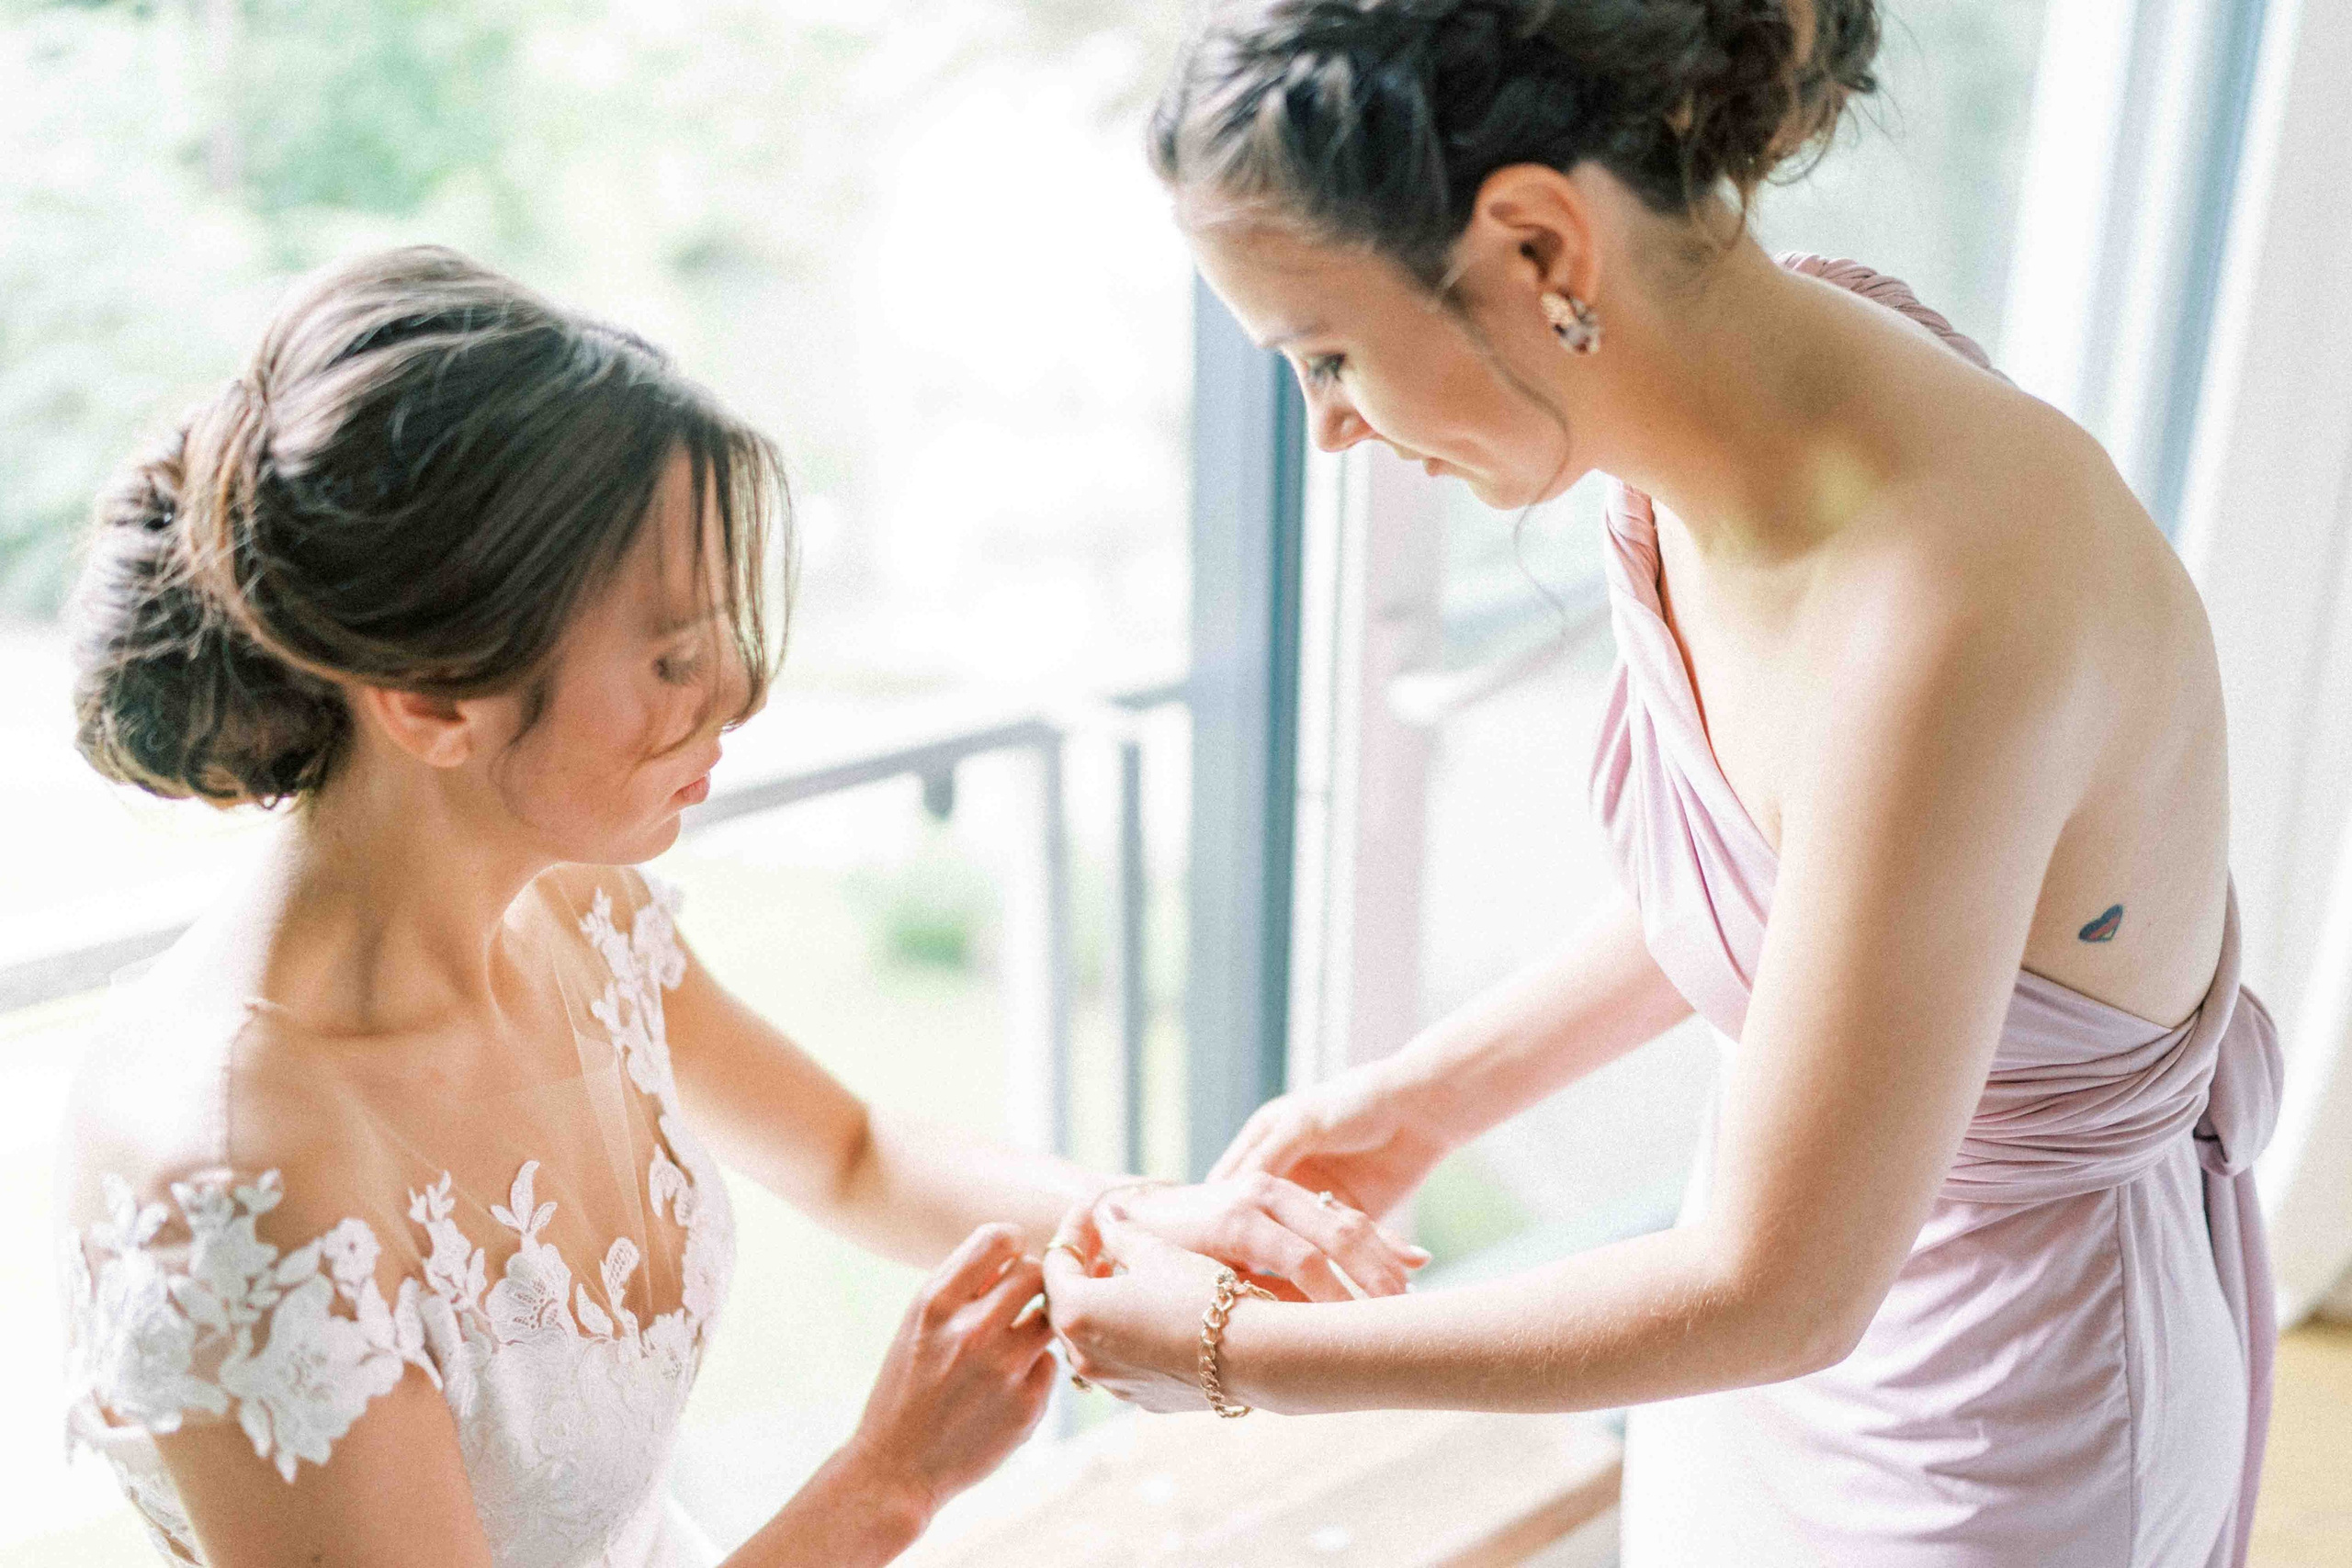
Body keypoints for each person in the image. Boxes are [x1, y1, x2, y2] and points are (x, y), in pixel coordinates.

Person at [1040, 3, 2286, 1563]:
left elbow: (1780, 1290)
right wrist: (1424, 1100)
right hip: (1770, 1361)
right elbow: (1812, 894)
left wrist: (1233, 1358)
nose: (1332, 430)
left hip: (1992, 1416)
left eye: (1331, 353)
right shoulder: (1726, 432)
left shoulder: (1950, 605)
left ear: (1542, 250)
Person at [55, 245, 1423, 1568]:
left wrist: (1143, 1219)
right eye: (671, 653)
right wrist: (887, 1485)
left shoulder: (579, 916)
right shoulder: (241, 1188)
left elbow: (850, 1152)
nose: (739, 694)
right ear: (428, 701)